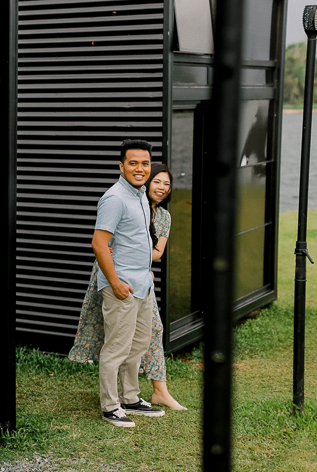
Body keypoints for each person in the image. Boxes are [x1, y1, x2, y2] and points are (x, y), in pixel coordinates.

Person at [69, 163, 185, 410]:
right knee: (116, 336)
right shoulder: (123, 201)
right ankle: (114, 403)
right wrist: (119, 254)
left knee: (147, 333)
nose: (162, 187)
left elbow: (157, 252)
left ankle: (138, 395)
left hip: (141, 279)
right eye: (157, 181)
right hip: (115, 276)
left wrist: (140, 260)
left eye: (167, 184)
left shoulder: (162, 216)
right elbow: (103, 241)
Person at [88, 139, 165, 427]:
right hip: (121, 287)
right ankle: (111, 406)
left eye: (145, 163)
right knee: (116, 348)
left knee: (140, 343)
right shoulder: (115, 198)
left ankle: (130, 398)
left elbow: (134, 239)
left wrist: (146, 269)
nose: (140, 168)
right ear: (121, 166)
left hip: (142, 284)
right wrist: (115, 282)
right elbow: (99, 244)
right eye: (133, 163)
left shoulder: (141, 194)